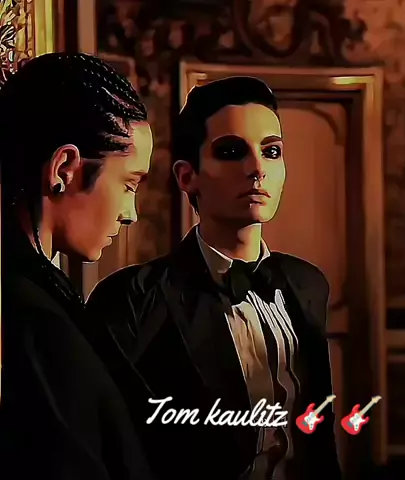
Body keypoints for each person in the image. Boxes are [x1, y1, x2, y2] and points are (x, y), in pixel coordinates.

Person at [85, 76, 342, 480]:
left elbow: (318, 440)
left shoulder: (307, 284)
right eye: (231, 151)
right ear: (187, 177)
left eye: (271, 151)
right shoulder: (134, 299)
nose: (257, 169)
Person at [0, 53, 155, 480]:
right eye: (129, 184)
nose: (131, 214)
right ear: (65, 169)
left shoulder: (40, 300)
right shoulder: (33, 321)